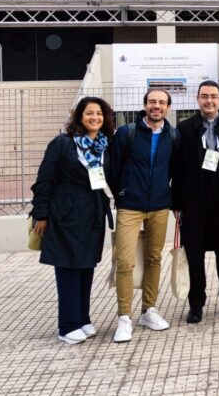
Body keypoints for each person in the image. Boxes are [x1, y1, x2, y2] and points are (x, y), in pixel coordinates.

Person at [31, 96, 115, 345]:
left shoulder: (104, 145)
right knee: (68, 267)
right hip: (65, 213)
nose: (94, 118)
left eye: (99, 114)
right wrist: (41, 214)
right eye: (89, 113)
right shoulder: (63, 143)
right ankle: (67, 325)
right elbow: (44, 180)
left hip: (93, 213)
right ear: (79, 116)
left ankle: (82, 318)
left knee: (87, 265)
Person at [171, 80, 219, 323]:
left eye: (214, 96)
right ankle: (196, 303)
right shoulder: (185, 128)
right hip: (194, 201)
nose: (209, 101)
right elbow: (177, 168)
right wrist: (177, 203)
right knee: (195, 254)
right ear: (197, 99)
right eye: (204, 96)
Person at [107, 88, 179, 343]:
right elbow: (112, 168)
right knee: (125, 261)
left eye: (161, 102)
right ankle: (124, 317)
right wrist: (122, 193)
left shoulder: (173, 135)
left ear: (168, 107)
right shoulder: (127, 133)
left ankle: (148, 310)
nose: (156, 106)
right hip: (130, 206)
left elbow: (175, 170)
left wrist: (171, 199)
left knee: (153, 258)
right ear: (145, 105)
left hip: (159, 206)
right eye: (152, 102)